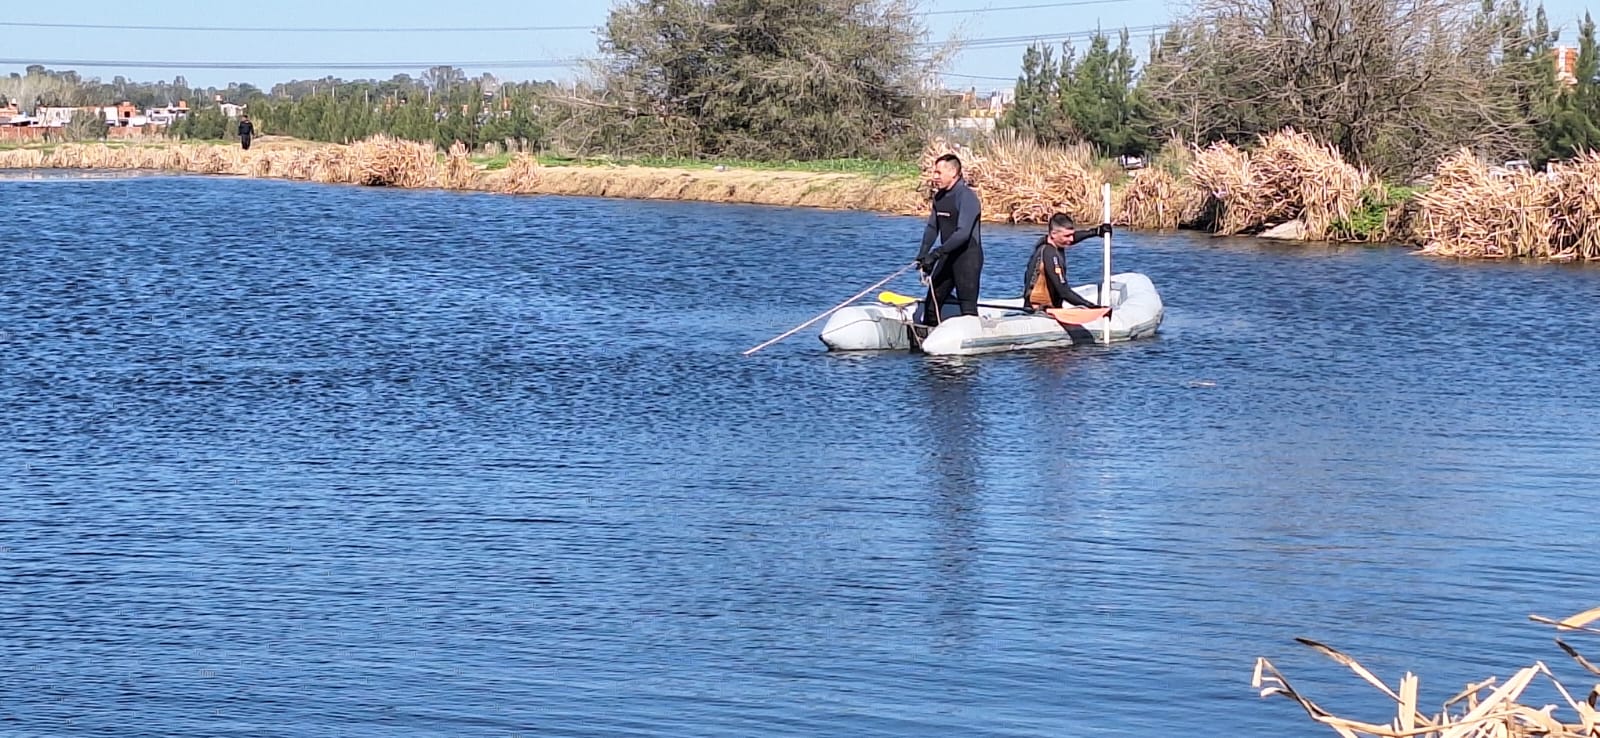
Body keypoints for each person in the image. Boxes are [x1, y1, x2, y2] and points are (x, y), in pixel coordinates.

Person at [914, 153, 983, 326]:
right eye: (934, 172)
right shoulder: (939, 197)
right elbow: (932, 227)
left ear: (953, 172)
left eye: (938, 173)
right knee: (932, 305)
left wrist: (937, 253)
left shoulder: (966, 197)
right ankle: (929, 341)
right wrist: (923, 255)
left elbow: (963, 233)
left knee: (967, 307)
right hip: (947, 256)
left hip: (967, 258)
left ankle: (971, 341)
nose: (934, 177)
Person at [1021, 212, 1112, 313]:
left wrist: (1096, 231)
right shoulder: (1050, 253)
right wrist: (1091, 307)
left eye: (1072, 235)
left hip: (1048, 307)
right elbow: (1064, 292)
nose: (1071, 239)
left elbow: (1073, 237)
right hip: (1039, 310)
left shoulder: (1049, 242)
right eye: (1067, 236)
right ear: (1053, 234)